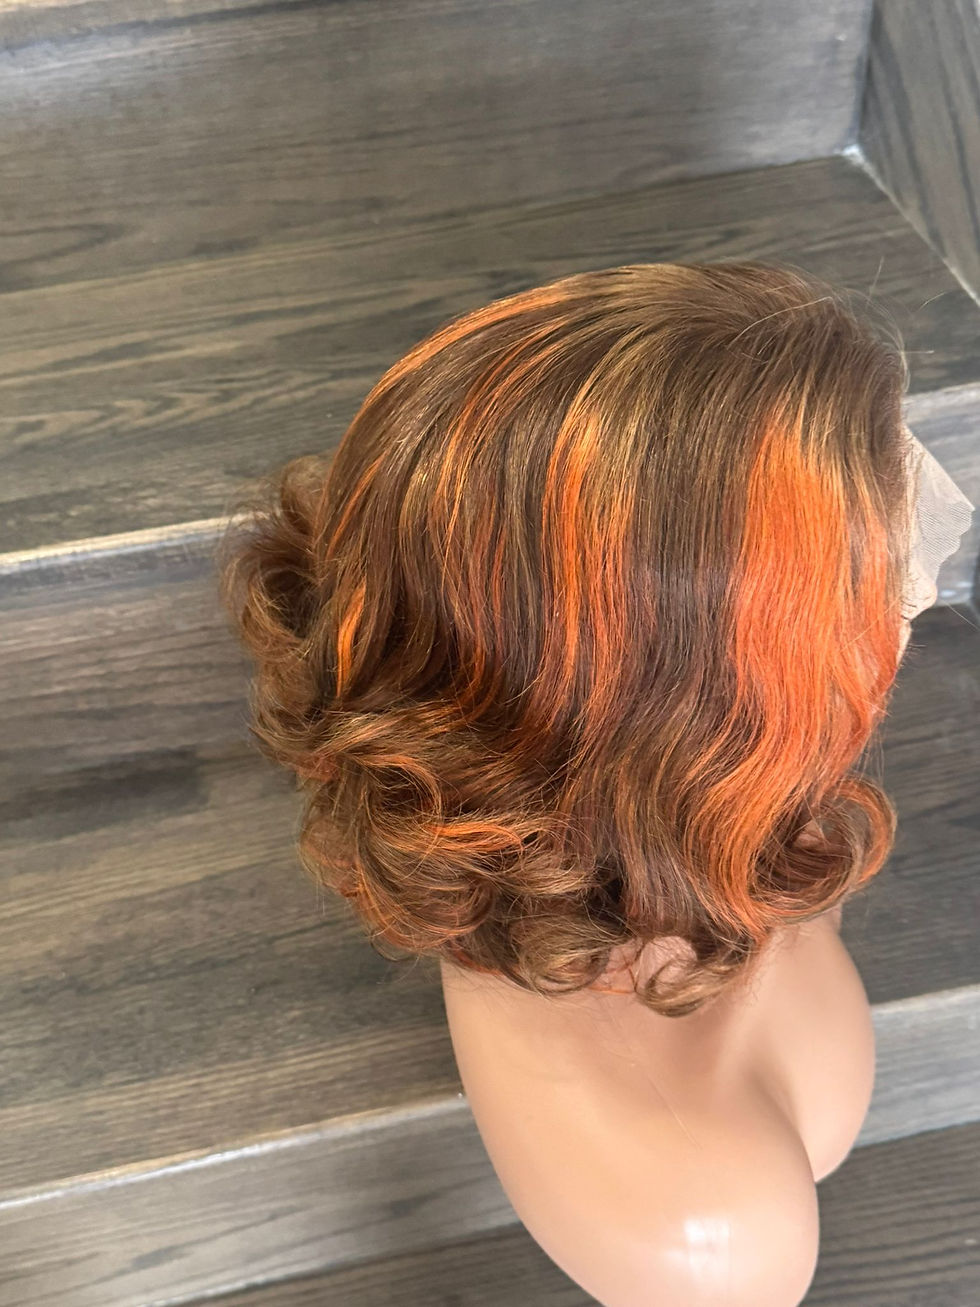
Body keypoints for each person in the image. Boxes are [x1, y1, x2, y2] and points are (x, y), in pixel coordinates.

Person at [215, 261, 975, 1307]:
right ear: (693, 701)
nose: (919, 581)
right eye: (850, 583)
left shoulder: (672, 808)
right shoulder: (708, 1230)